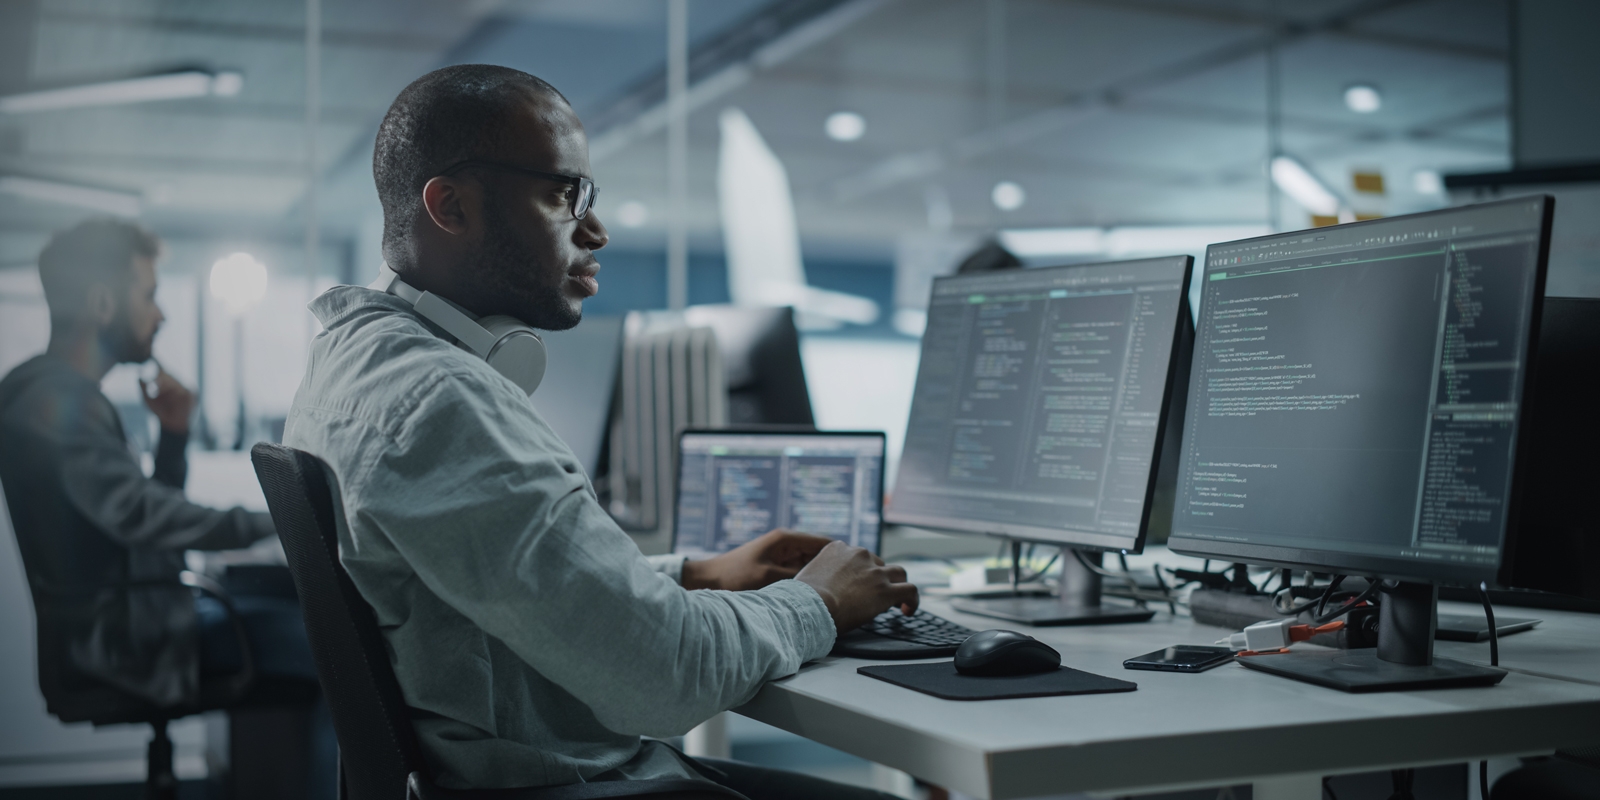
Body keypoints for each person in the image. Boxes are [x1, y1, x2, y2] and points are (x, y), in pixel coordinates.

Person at [283, 64, 918, 799]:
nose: (596, 229)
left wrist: (694, 575)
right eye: (561, 193)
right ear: (449, 205)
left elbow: (489, 596)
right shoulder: (443, 403)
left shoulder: (351, 362)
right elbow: (666, 677)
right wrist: (822, 602)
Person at [0, 219, 333, 799]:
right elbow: (147, 517)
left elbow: (136, 523)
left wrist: (174, 439)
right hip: (129, 639)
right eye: (149, 294)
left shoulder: (61, 396)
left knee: (300, 610)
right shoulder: (54, 405)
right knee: (337, 651)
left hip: (138, 620)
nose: (162, 314)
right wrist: (283, 517)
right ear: (104, 302)